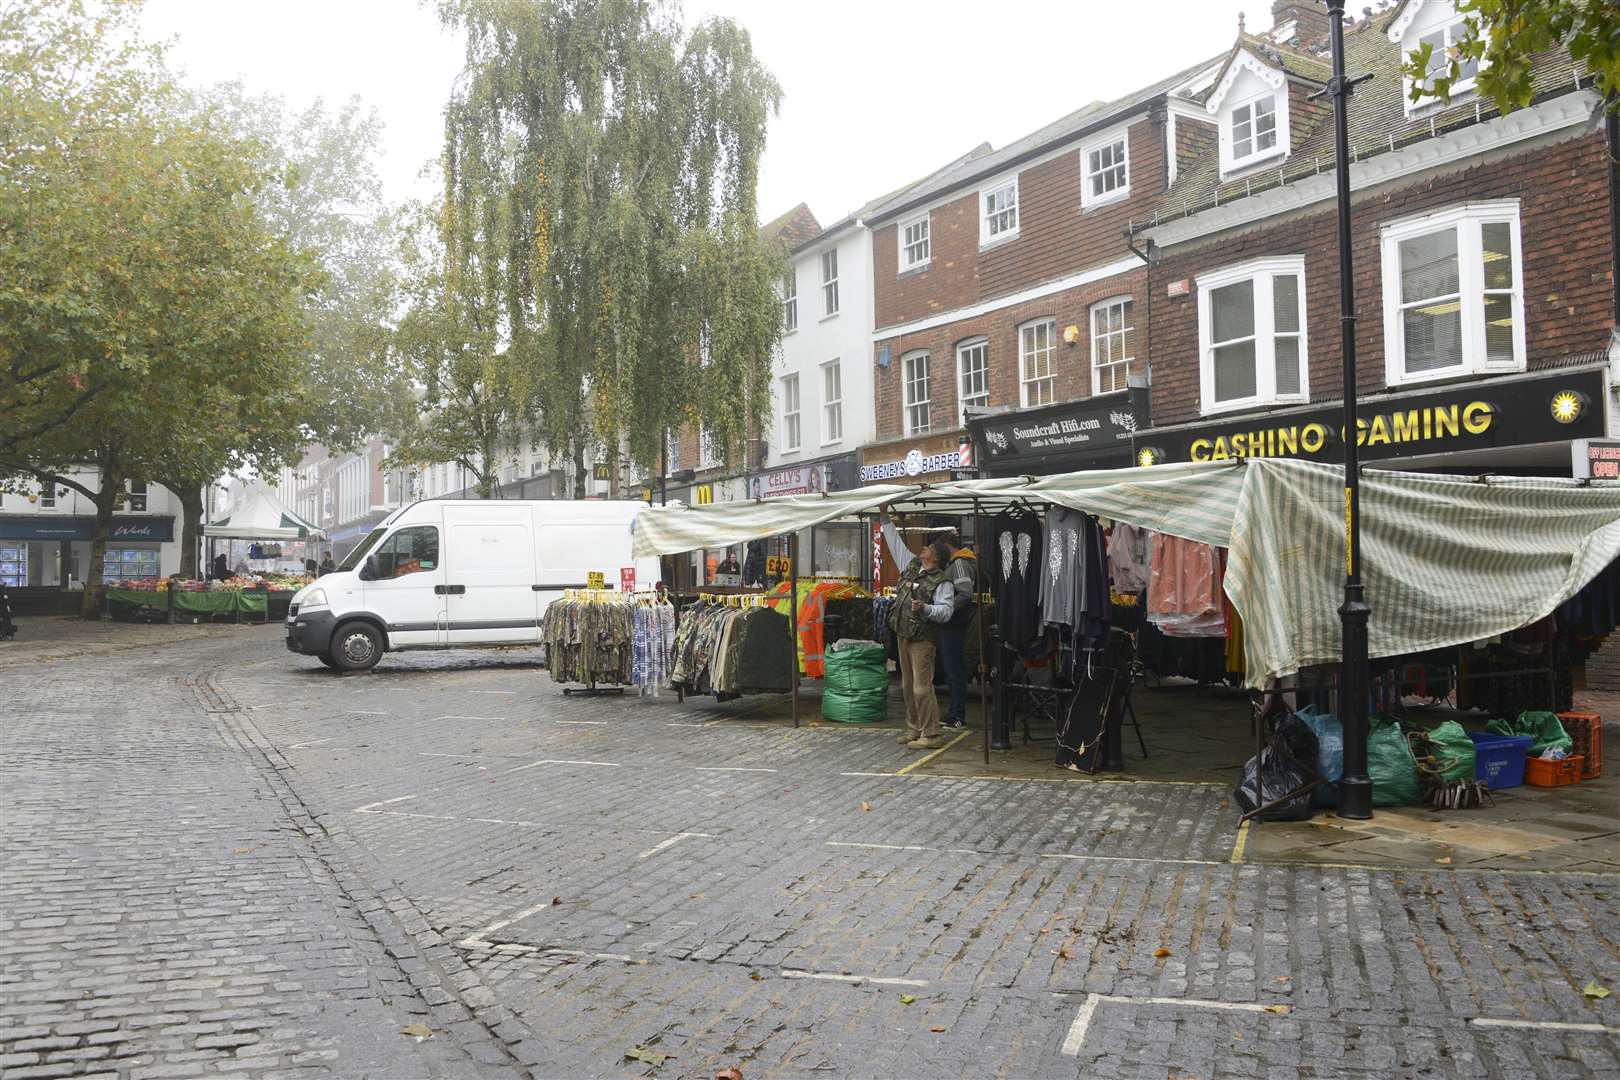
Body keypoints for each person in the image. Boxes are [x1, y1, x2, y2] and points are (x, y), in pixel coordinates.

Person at [888, 540, 955, 750]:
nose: (923, 549)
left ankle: (932, 733)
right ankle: (914, 727)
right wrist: (885, 518)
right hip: (903, 633)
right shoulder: (913, 565)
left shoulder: (942, 582)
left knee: (921, 687)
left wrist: (926, 608)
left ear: (935, 557)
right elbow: (895, 544)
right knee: (907, 686)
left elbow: (946, 612)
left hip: (923, 639)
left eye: (928, 548)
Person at [937, 538, 979, 730]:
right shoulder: (956, 563)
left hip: (956, 623)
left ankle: (957, 715)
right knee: (953, 669)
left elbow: (965, 592)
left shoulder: (959, 563)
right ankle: (954, 713)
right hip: (953, 622)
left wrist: (946, 608)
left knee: (955, 670)